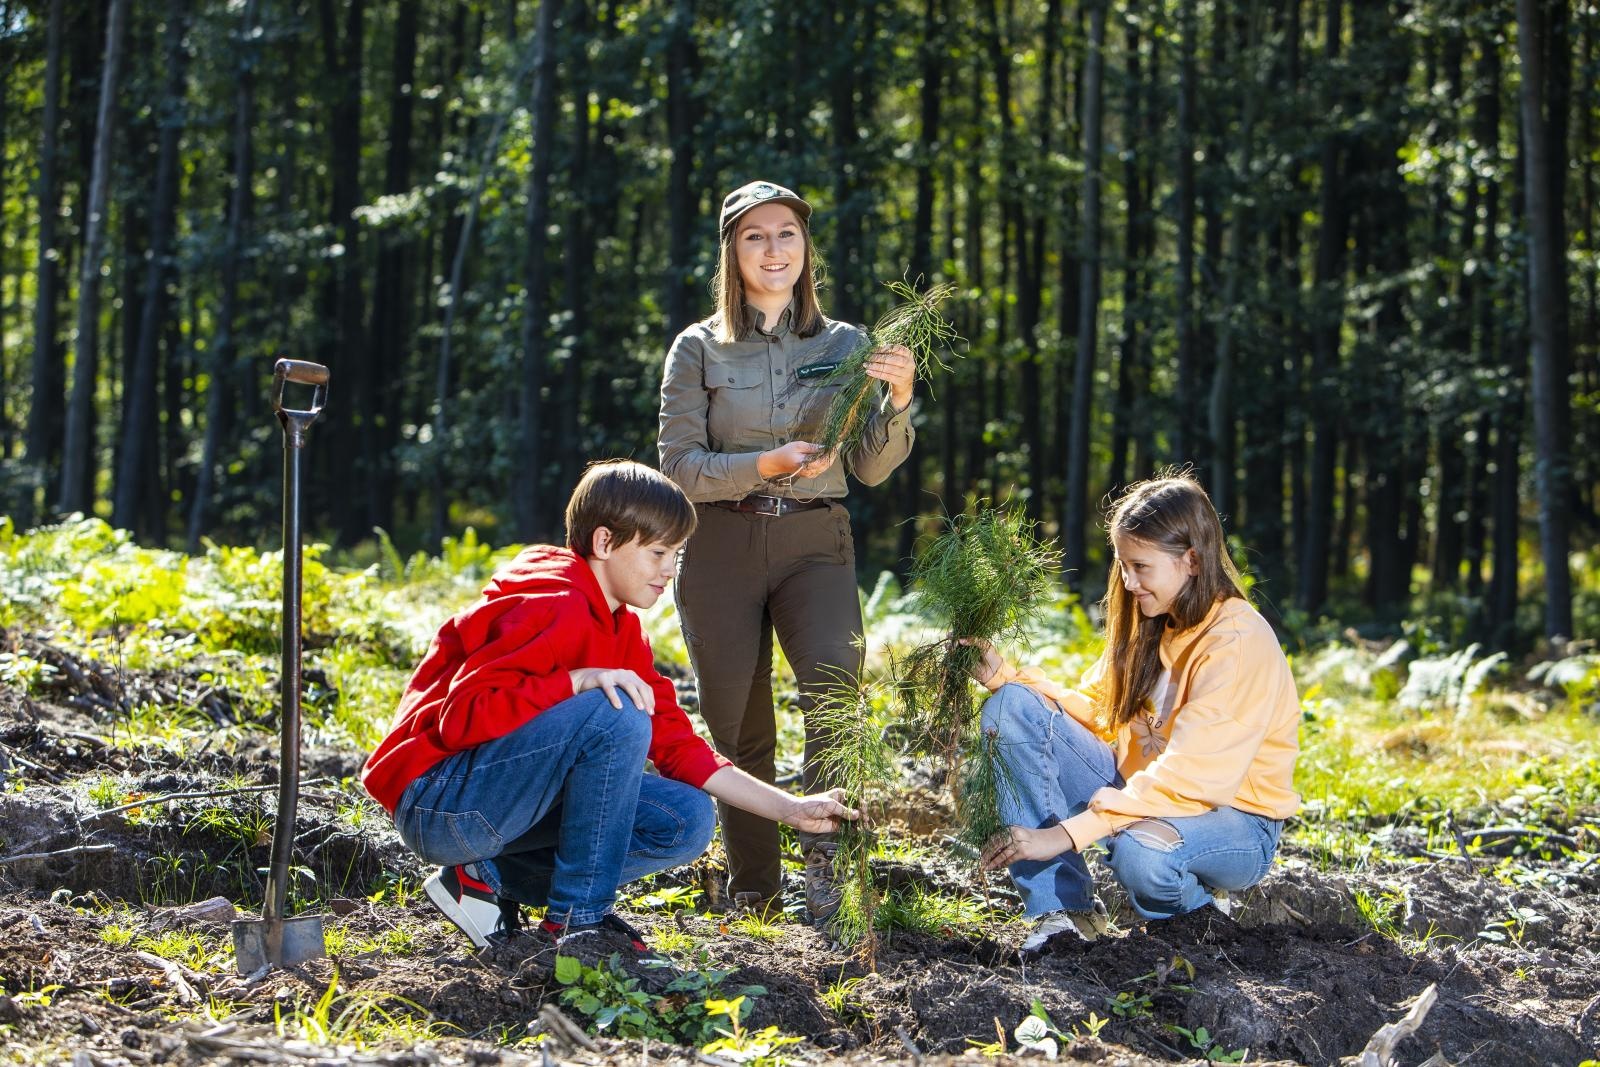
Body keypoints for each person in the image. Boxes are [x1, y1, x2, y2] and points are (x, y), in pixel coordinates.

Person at [361, 459, 856, 951]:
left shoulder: (620, 629)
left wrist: (792, 809)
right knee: (615, 713)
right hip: (440, 802)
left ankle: (487, 879)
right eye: (658, 551)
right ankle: (578, 923)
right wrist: (574, 680)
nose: (669, 570)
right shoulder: (552, 601)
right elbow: (461, 717)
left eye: (677, 554)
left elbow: (680, 749)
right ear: (604, 543)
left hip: (493, 811)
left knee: (687, 819)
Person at [658, 180, 916, 919]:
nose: (774, 250)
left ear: (806, 249)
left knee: (834, 694)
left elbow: (867, 465)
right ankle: (756, 894)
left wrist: (899, 402)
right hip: (719, 541)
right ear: (732, 252)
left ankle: (834, 883)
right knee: (738, 722)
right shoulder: (698, 348)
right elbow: (678, 467)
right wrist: (764, 464)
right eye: (755, 237)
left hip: (814, 541)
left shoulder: (846, 345)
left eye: (787, 235)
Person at [971, 473, 1300, 953]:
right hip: (1141, 797)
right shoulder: (1150, 623)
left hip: (1234, 819)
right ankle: (1063, 913)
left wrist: (1067, 833)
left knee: (1143, 853)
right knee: (1011, 708)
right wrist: (1008, 677)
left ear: (1190, 560)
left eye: (1141, 567)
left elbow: (1192, 778)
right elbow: (1099, 714)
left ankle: (1200, 922)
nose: (1128, 582)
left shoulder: (1236, 643)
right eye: (1123, 565)